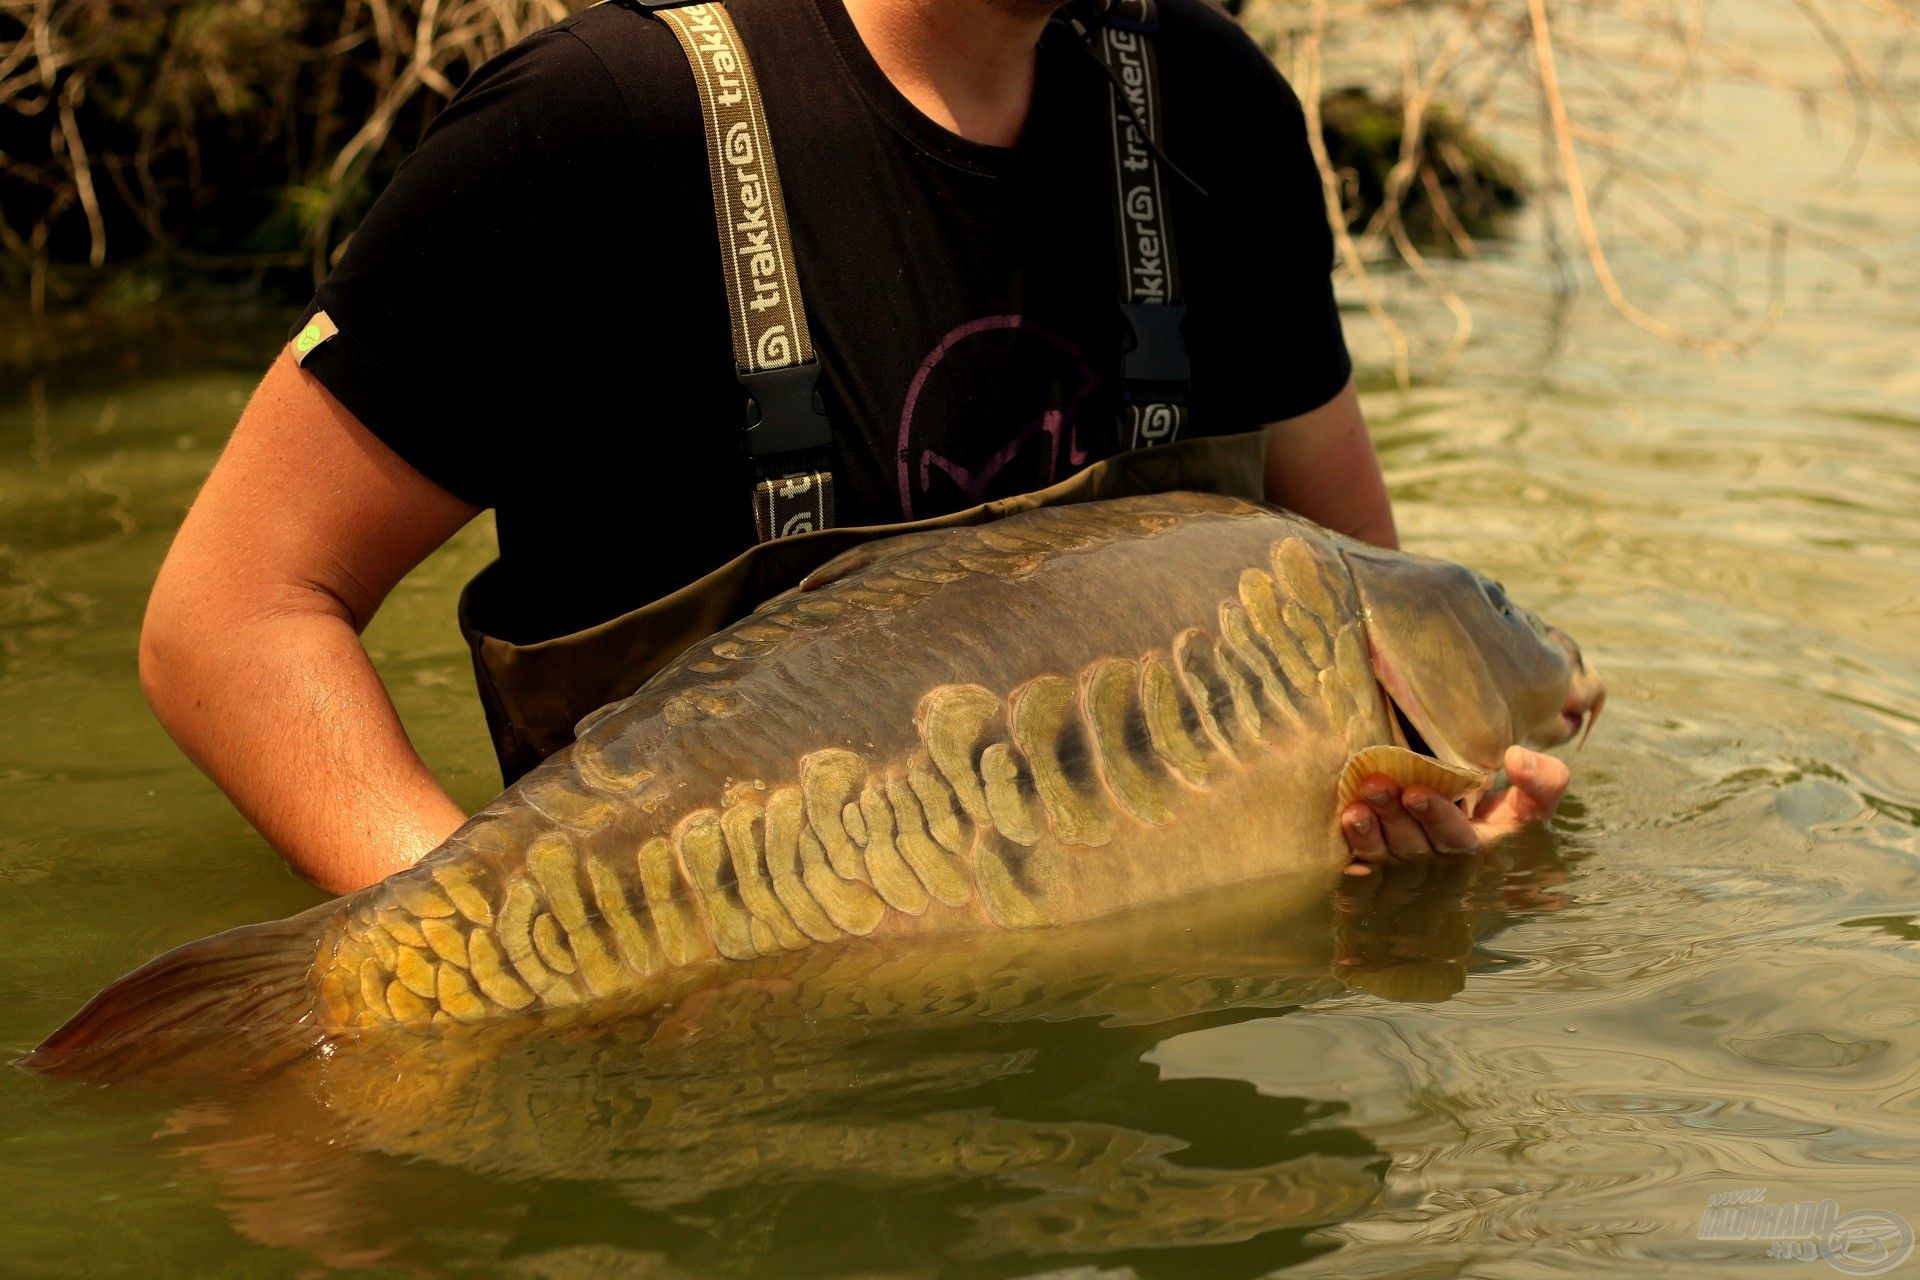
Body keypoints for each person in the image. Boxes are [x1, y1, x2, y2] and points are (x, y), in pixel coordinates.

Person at [135, 0, 1568, 897]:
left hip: (1164, 1129)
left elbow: (1367, 609)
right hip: (704, 1127)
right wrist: (492, 952)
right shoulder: (596, 123)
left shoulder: (1216, 114)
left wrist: (1445, 849)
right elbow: (228, 620)